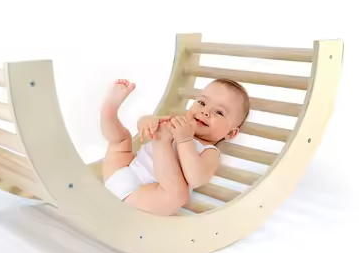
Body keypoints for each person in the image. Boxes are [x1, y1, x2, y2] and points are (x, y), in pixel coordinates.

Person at [100, 78, 250, 216]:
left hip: (147, 193)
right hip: (122, 168)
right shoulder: (175, 122)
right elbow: (143, 129)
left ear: (230, 133)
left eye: (219, 112)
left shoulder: (209, 152)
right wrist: (147, 121)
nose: (205, 111)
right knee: (121, 141)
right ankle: (109, 113)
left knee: (178, 196)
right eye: (202, 103)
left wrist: (184, 140)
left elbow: (196, 178)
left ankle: (161, 143)